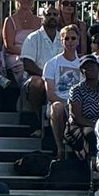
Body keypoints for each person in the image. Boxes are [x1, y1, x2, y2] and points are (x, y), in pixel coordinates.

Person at [42, 25, 82, 158]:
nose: (70, 41)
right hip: (58, 102)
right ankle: (60, 148)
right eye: (67, 38)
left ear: (78, 40)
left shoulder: (83, 64)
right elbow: (50, 94)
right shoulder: (52, 63)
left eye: (73, 38)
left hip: (78, 103)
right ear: (62, 40)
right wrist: (66, 103)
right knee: (57, 108)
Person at [20, 1, 63, 123]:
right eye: (48, 14)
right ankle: (37, 121)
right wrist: (47, 78)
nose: (52, 17)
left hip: (60, 78)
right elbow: (27, 64)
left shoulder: (64, 38)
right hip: (37, 77)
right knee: (36, 83)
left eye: (55, 14)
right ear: (42, 18)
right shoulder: (32, 37)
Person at [65, 55, 99, 160]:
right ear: (81, 71)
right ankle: (92, 164)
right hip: (81, 125)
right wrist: (96, 126)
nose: (90, 69)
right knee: (91, 134)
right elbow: (77, 117)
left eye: (93, 66)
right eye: (86, 67)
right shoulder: (76, 90)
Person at [2, 0, 41, 89]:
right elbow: (9, 46)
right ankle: (25, 88)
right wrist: (27, 54)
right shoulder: (10, 20)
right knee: (22, 65)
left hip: (35, 54)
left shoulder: (39, 21)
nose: (27, 0)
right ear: (17, 0)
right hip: (16, 55)